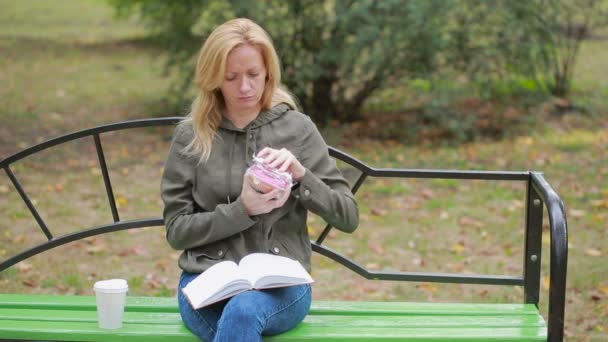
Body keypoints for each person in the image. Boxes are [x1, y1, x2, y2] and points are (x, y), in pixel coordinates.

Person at [160, 18, 359, 341]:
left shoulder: (298, 129)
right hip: (205, 282)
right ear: (214, 80)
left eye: (253, 74)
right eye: (231, 77)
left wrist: (301, 175)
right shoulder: (192, 136)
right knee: (239, 321)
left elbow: (348, 216)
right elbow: (177, 231)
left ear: (269, 72)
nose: (244, 88)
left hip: (282, 285)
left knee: (243, 312)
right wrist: (243, 210)